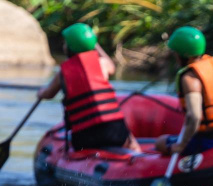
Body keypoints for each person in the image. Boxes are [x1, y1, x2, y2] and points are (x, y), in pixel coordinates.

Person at [37, 24, 140, 152]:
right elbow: (111, 66)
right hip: (113, 129)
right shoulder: (102, 64)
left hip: (84, 135)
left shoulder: (64, 72)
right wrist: (94, 44)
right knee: (133, 145)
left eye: (65, 43)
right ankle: (138, 158)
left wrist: (40, 93)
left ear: (70, 47)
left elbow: (48, 94)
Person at [155, 27, 213, 156]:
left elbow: (195, 116)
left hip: (205, 141)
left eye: (175, 52)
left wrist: (182, 144)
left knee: (160, 142)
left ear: (182, 54)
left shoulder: (189, 78)